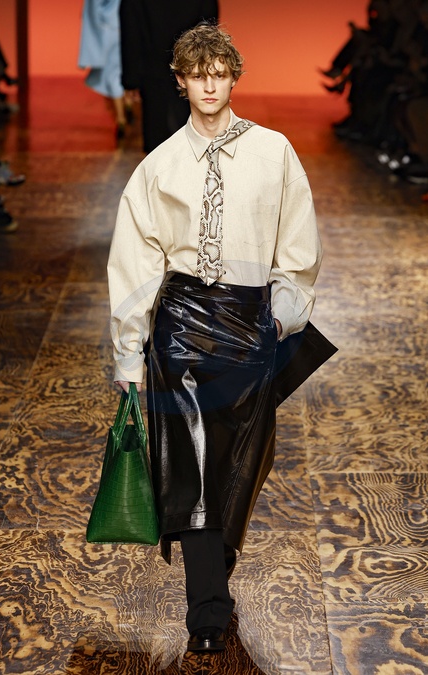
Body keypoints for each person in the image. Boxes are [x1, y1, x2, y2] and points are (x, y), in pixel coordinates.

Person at [107, 24, 322, 653]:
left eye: (219, 73)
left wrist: (282, 316)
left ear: (233, 78)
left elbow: (298, 246)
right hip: (182, 326)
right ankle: (206, 609)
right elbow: (135, 263)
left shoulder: (274, 153)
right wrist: (128, 351)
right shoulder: (159, 166)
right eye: (197, 74)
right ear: (180, 81)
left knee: (241, 463)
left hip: (251, 321)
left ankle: (213, 574)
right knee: (196, 464)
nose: (208, 84)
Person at [119, 0, 218, 153]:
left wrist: (130, 80)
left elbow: (131, 31)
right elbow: (208, 24)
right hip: (190, 68)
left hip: (153, 70)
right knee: (191, 134)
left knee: (157, 136)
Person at [78, 0, 130, 141]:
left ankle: (121, 119)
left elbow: (93, 10)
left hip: (110, 29)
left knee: (112, 75)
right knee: (123, 69)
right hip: (127, 26)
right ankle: (127, 104)